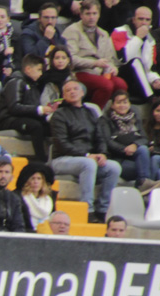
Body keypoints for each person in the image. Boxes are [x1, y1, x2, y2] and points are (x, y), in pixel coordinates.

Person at [49, 79, 121, 221]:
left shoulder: (91, 113)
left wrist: (102, 154)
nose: (72, 92)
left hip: (88, 159)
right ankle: (87, 209)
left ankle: (103, 209)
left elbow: (100, 137)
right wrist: (86, 155)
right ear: (63, 96)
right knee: (88, 164)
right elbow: (61, 143)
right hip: (63, 159)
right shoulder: (59, 115)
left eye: (75, 89)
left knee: (114, 167)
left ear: (82, 93)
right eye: (68, 90)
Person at [63, 0, 126, 108]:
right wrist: (94, 63)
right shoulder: (72, 31)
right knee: (106, 85)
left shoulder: (103, 33)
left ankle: (114, 115)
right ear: (81, 15)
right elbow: (70, 59)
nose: (91, 17)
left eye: (94, 13)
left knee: (121, 84)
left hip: (100, 73)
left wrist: (112, 68)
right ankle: (94, 115)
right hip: (79, 72)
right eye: (88, 14)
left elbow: (109, 58)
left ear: (99, 14)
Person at [98, 89, 160, 194]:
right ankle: (143, 186)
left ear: (129, 104)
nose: (122, 105)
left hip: (136, 156)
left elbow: (144, 138)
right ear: (112, 105)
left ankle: (144, 186)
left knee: (144, 150)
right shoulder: (105, 120)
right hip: (118, 158)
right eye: (119, 102)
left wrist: (134, 145)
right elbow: (108, 141)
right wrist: (124, 149)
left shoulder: (135, 118)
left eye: (125, 102)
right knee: (149, 166)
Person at [0, 54, 53, 159]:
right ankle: (40, 160)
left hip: (23, 118)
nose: (41, 74)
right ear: (28, 69)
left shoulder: (33, 86)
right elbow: (14, 107)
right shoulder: (15, 82)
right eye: (39, 70)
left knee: (52, 125)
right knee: (36, 126)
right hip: (8, 119)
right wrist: (39, 109)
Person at [110, 6, 160, 102]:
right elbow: (123, 58)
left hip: (138, 79)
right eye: (140, 19)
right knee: (136, 61)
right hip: (120, 72)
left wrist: (155, 80)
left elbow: (149, 69)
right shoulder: (119, 31)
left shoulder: (151, 40)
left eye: (147, 20)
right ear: (134, 20)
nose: (144, 23)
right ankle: (151, 98)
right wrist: (138, 38)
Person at [16, 162, 54, 230]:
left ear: (43, 181)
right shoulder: (20, 198)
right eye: (33, 178)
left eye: (39, 178)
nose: (36, 182)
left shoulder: (48, 200)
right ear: (27, 181)